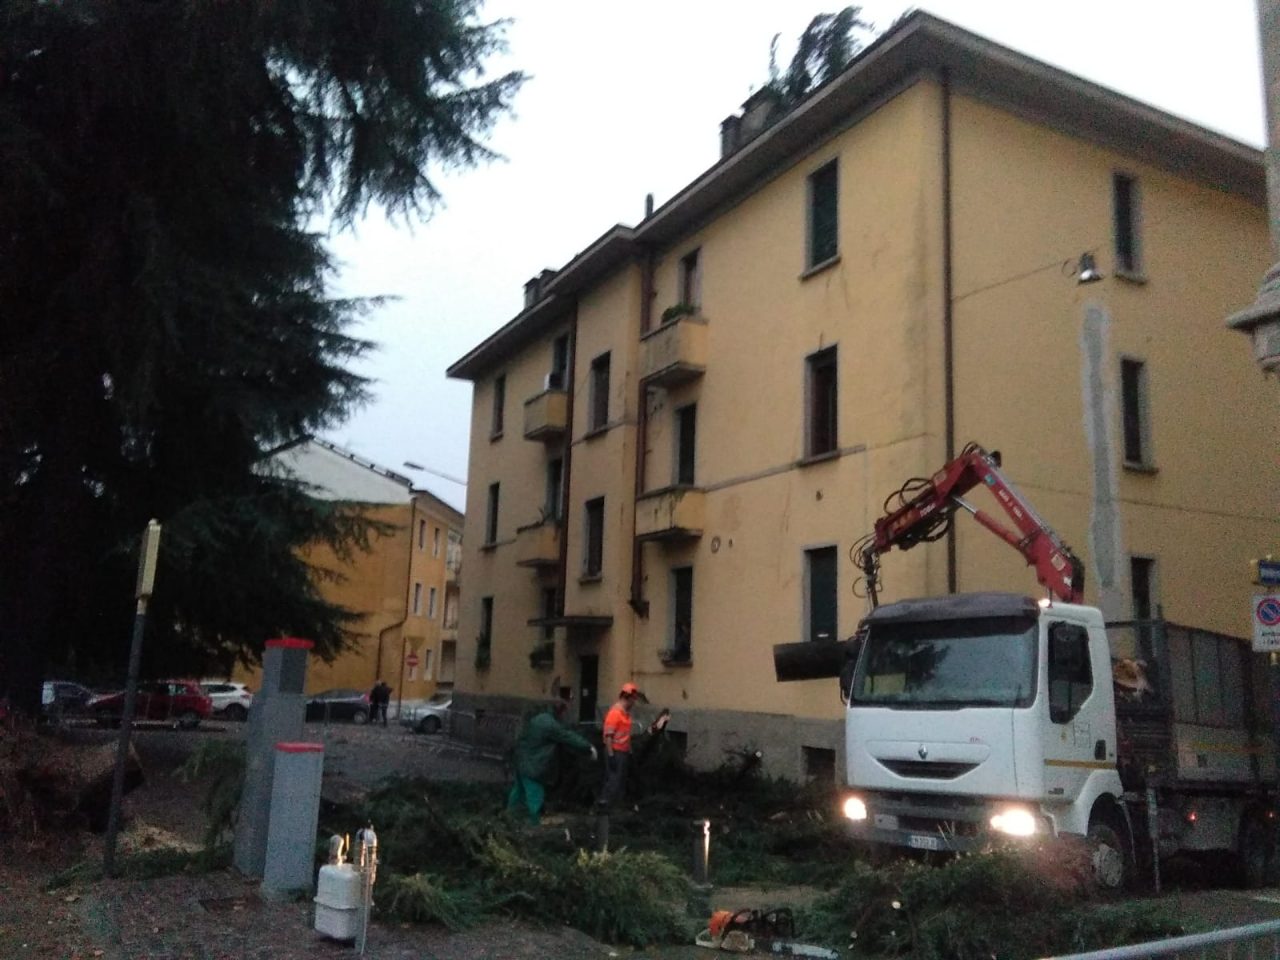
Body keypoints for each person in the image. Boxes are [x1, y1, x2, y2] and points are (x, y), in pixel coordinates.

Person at [508, 699, 596, 825]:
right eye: (565, 710)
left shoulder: (541, 718)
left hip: (522, 760)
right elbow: (566, 736)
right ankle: (534, 824)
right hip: (532, 764)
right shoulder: (549, 724)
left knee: (519, 791)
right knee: (535, 794)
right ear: (560, 710)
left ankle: (509, 817)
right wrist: (588, 747)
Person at [599, 681, 645, 808]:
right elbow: (608, 736)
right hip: (615, 751)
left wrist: (629, 751)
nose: (634, 703)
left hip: (622, 752)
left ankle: (615, 806)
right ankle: (605, 805)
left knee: (619, 781)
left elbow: (624, 734)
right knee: (613, 780)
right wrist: (611, 755)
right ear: (627, 698)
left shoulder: (625, 714)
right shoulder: (615, 713)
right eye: (633, 700)